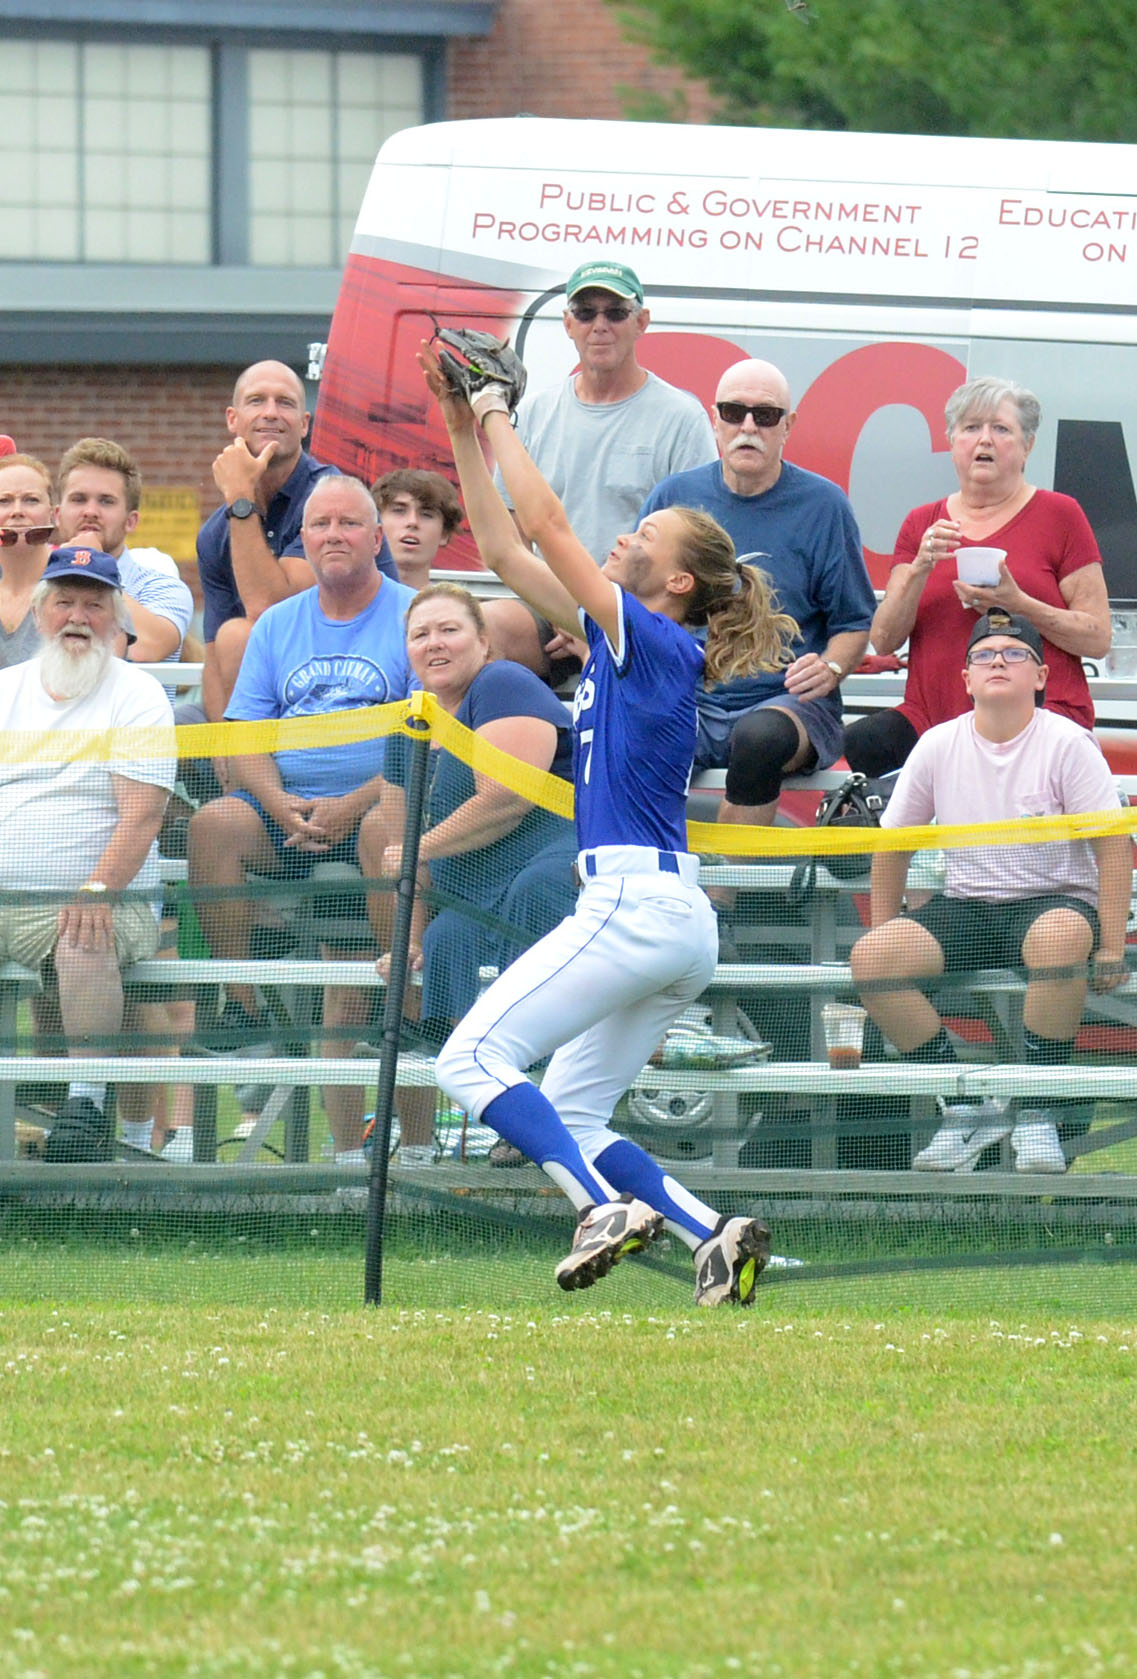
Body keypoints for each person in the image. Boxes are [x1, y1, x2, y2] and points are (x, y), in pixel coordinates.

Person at [418, 337, 796, 1306]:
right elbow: (504, 548)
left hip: (632, 903)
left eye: (643, 537)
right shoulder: (635, 638)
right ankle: (715, 1233)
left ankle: (598, 1208)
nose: (623, 539)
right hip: (668, 916)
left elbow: (544, 522)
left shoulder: (654, 635)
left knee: (471, 1056)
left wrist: (503, 405)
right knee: (576, 1109)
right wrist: (465, 424)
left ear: (674, 582)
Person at [849, 608, 1130, 1175]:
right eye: (984, 655)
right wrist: (884, 927)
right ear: (966, 680)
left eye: (1015, 654)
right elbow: (892, 847)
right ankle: (965, 1108)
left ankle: (1036, 1113)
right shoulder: (935, 744)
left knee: (1058, 936)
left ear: (1042, 678)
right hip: (968, 908)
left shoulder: (1069, 743)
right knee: (871, 959)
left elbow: (1113, 847)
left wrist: (1113, 944)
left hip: (1054, 904)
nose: (998, 661)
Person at [187, 475, 416, 1161]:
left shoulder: (414, 615)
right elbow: (246, 735)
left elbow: (427, 736)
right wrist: (279, 799)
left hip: (381, 806)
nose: (334, 535)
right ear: (304, 540)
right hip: (284, 815)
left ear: (377, 539)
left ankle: (397, 1002)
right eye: (320, 525)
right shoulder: (278, 625)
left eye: (350, 523)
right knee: (214, 822)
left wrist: (357, 802)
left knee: (384, 830)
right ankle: (243, 1006)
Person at [358, 582, 577, 1165]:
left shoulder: (503, 684)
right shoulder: (410, 722)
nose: (434, 643)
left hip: (551, 861)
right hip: (471, 887)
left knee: (537, 895)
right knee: (444, 938)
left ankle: (542, 1109)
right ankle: (484, 1108)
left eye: (449, 629)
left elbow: (506, 797)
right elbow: (402, 839)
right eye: (420, 633)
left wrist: (418, 848)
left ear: (483, 643)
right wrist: (408, 937)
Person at [639, 357, 875, 829]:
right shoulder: (674, 497)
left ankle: (726, 895)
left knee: (758, 738)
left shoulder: (824, 505)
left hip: (786, 703)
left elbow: (854, 623)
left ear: (788, 427)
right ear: (714, 419)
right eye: (733, 412)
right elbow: (630, 597)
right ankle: (647, 877)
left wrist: (829, 668)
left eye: (765, 416)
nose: (748, 426)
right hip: (691, 695)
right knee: (628, 732)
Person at [0, 545, 175, 1163]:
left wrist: (98, 889)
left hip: (101, 895)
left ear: (117, 617)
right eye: (65, 602)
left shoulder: (139, 696)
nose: (78, 615)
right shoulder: (4, 690)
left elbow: (143, 815)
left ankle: (84, 1105)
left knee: (83, 930)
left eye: (94, 603)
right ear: (41, 613)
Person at [844, 376, 1111, 778]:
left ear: (1027, 446)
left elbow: (1098, 638)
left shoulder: (1061, 515)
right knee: (863, 743)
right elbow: (884, 639)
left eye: (1001, 429)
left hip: (1039, 713)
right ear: (952, 443)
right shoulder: (922, 524)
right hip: (935, 720)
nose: (984, 440)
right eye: (971, 428)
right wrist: (920, 569)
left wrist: (1018, 605)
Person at [486, 259, 715, 686]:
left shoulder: (681, 417)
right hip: (549, 609)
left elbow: (694, 544)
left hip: (641, 614)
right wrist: (563, 613)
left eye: (615, 312)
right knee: (473, 631)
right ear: (568, 324)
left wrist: (601, 621)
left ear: (642, 322)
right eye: (586, 312)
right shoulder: (535, 412)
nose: (600, 325)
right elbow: (511, 526)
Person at [196, 359, 400, 722]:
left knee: (241, 635)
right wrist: (222, 754)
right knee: (219, 656)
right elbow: (213, 660)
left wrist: (241, 498)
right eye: (257, 401)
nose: (271, 413)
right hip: (273, 689)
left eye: (286, 403)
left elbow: (267, 608)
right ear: (232, 419)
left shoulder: (328, 500)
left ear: (305, 424)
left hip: (366, 670)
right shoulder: (215, 534)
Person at [54, 438, 194, 665]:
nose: (90, 511)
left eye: (106, 501)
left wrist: (93, 565)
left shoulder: (163, 587)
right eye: (79, 499)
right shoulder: (39, 585)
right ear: (57, 516)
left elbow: (148, 647)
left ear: (131, 521)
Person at [0, 453, 57, 669]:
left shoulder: (76, 580)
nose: (17, 511)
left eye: (31, 500)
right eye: (3, 501)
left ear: (53, 514)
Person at [372, 468, 464, 592]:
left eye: (426, 514)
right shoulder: (343, 605)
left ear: (444, 533)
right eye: (399, 510)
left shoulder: (457, 609)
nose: (412, 522)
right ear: (375, 528)